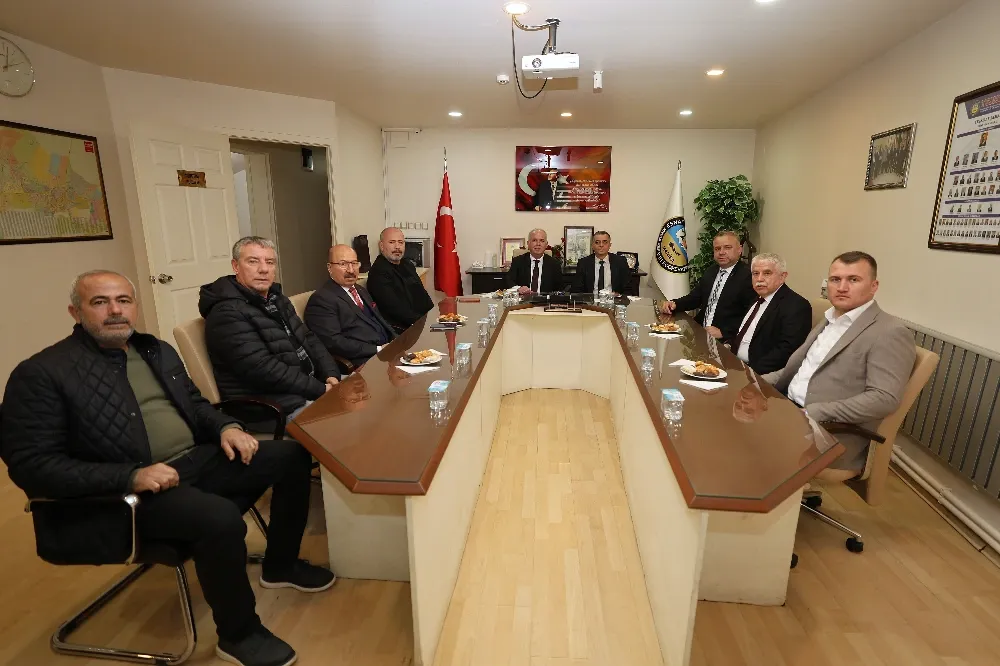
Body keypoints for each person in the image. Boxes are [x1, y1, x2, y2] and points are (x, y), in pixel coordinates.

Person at [0, 270, 333, 666]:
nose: (115, 311)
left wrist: (226, 426)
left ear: (135, 306)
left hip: (193, 462)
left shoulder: (154, 350)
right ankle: (239, 635)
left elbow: (195, 404)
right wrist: (130, 476)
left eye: (123, 300)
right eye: (100, 302)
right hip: (124, 496)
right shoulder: (41, 373)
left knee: (291, 455)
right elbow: (32, 466)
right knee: (219, 518)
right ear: (76, 312)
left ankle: (280, 565)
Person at [762, 251, 916, 473]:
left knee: (744, 448)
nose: (842, 287)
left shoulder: (890, 332)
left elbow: (883, 399)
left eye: (853, 280)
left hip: (828, 431)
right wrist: (753, 381)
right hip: (788, 409)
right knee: (727, 420)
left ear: (874, 286)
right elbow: (799, 370)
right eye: (835, 279)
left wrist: (816, 412)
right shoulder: (831, 318)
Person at [199, 236, 339, 423]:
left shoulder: (276, 298)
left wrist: (331, 374)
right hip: (272, 407)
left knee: (366, 402)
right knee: (348, 428)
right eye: (253, 261)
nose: (263, 269)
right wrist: (320, 389)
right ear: (235, 266)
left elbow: (309, 337)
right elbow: (264, 369)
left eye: (270, 262)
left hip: (309, 388)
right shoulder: (226, 313)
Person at [304, 244, 396, 370]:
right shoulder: (321, 300)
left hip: (386, 352)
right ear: (330, 268)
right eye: (343, 264)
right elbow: (334, 342)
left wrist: (396, 341)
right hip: (364, 362)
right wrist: (378, 349)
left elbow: (379, 320)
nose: (351, 270)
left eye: (354, 263)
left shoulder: (360, 290)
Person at [723, 252, 812, 375]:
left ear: (783, 276)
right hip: (733, 363)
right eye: (755, 273)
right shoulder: (756, 298)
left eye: (767, 273)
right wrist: (727, 346)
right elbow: (743, 333)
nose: (759, 279)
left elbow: (787, 351)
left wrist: (748, 372)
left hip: (759, 373)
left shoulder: (796, 305)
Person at [660, 230, 757, 341]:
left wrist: (724, 332)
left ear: (740, 250)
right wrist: (675, 304)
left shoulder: (749, 277)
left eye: (727, 248)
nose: (721, 252)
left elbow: (752, 314)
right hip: (700, 332)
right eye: (717, 249)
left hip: (726, 339)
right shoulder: (711, 271)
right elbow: (695, 298)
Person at [365, 227, 434, 333]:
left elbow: (422, 295)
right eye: (392, 242)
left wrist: (434, 316)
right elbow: (396, 310)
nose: (397, 247)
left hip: (422, 322)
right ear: (382, 246)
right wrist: (425, 324)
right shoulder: (378, 273)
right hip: (402, 329)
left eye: (400, 242)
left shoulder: (407, 264)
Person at [506, 228, 563, 294]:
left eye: (542, 241)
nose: (538, 244)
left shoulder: (554, 264)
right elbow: (509, 281)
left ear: (546, 244)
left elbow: (559, 289)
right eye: (534, 240)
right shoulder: (518, 261)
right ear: (528, 243)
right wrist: (518, 288)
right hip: (523, 299)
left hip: (544, 299)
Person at [572, 230, 630, 294]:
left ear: (609, 245)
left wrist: (618, 296)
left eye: (605, 242)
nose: (601, 245)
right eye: (597, 242)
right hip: (591, 299)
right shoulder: (583, 263)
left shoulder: (620, 262)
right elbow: (577, 289)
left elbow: (628, 288)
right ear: (592, 245)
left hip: (613, 299)